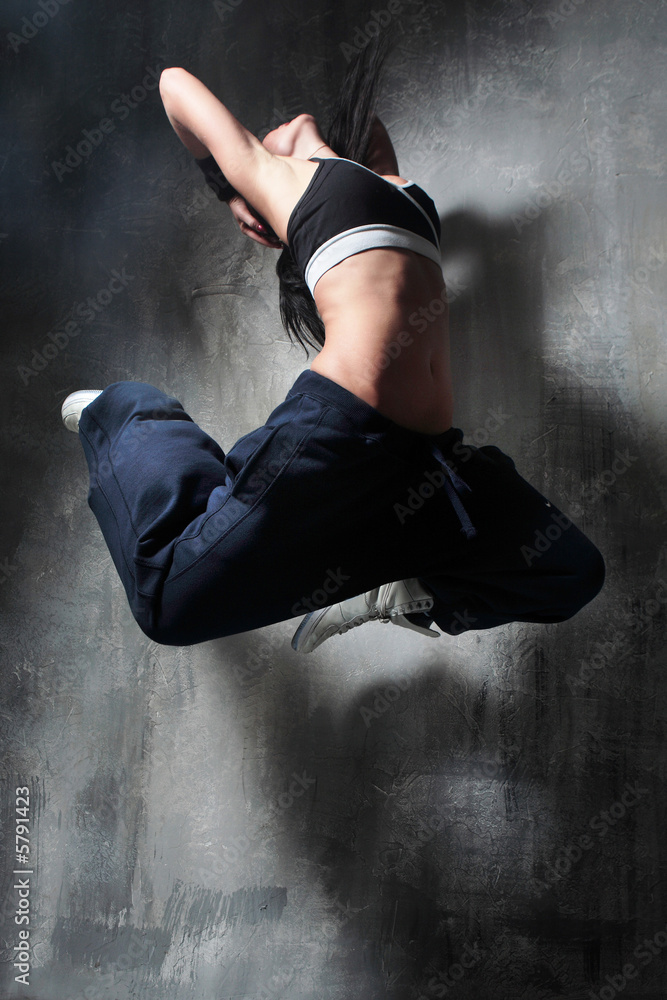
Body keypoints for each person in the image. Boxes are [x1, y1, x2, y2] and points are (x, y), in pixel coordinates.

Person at [61, 40, 605, 651]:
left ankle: (399, 590)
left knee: (569, 572)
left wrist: (306, 148)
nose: (279, 127)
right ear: (268, 226)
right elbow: (172, 84)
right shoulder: (283, 185)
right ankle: (131, 414)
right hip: (341, 441)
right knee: (167, 604)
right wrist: (236, 188)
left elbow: (366, 128)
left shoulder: (391, 188)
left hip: (423, 461)